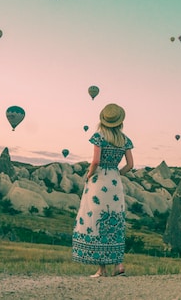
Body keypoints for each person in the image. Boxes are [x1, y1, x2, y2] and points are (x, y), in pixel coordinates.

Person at [72, 103, 134, 277]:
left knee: (97, 219)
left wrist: (88, 175)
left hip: (99, 182)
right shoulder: (125, 140)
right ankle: (119, 265)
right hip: (114, 182)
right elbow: (130, 165)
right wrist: (117, 173)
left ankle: (102, 269)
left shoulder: (99, 137)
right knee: (115, 221)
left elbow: (96, 161)